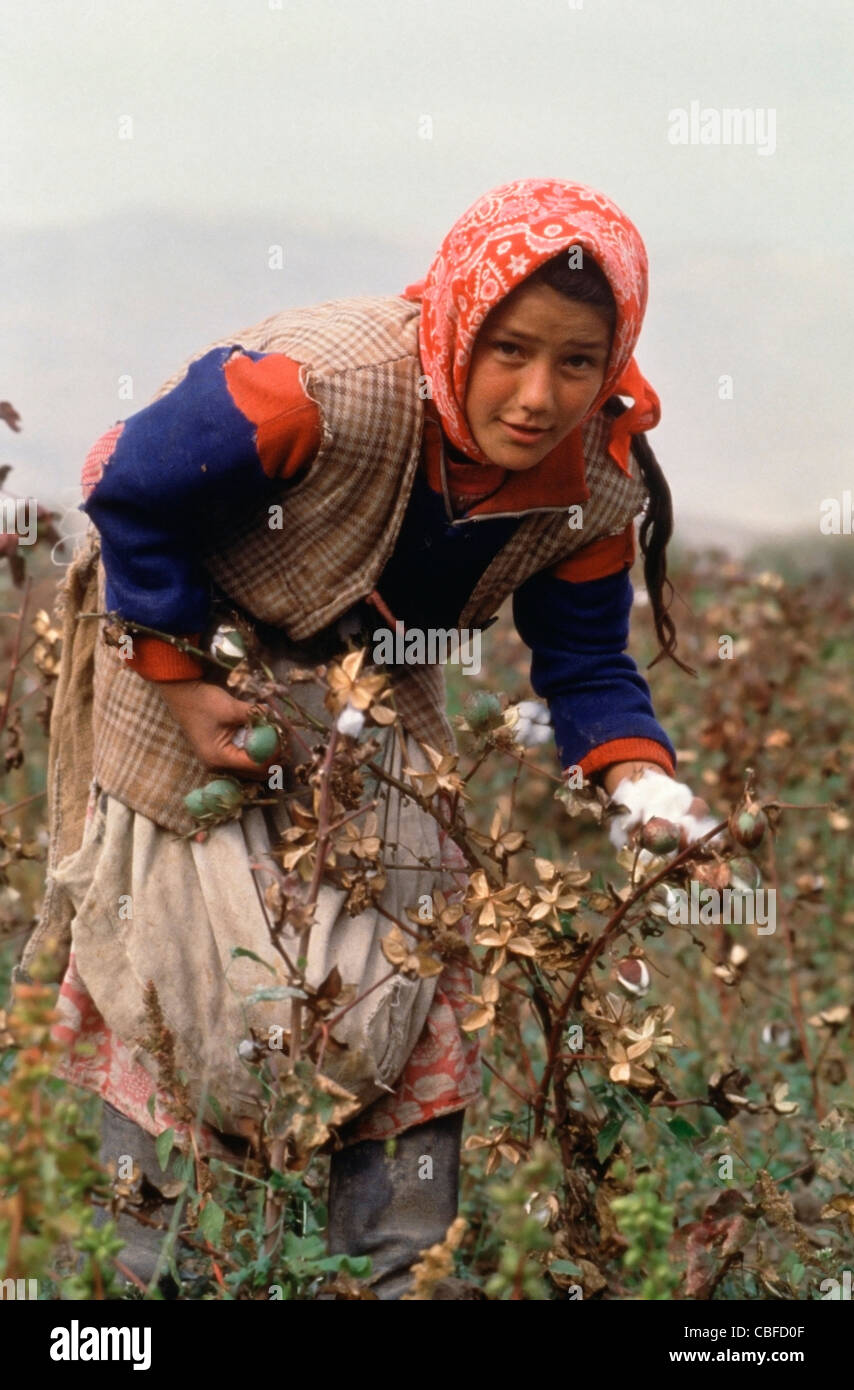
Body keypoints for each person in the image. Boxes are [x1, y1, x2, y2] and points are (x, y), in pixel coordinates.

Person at [24, 177, 713, 1299]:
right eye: (508, 350)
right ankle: (131, 1289)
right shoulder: (321, 388)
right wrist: (183, 678)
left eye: (575, 364)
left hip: (375, 692)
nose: (537, 395)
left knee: (399, 986)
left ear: (611, 359)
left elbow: (584, 665)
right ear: (455, 322)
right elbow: (126, 486)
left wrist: (649, 798)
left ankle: (391, 1272)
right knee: (180, 985)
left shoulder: (592, 484)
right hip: (192, 650)